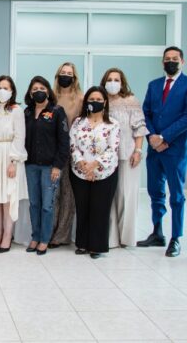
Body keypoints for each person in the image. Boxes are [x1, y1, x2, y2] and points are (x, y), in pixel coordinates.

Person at [138, 46, 187, 257]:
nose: (171, 62)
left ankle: (176, 238)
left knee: (176, 195)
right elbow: (145, 113)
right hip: (154, 147)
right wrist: (153, 137)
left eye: (175, 59)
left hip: (176, 148)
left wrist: (164, 136)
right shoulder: (154, 85)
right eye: (167, 59)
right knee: (155, 191)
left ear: (182, 61)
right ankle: (157, 232)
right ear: (162, 62)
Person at [69, 86, 120, 259]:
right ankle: (82, 243)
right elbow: (73, 144)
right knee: (82, 208)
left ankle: (96, 246)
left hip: (104, 173)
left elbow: (113, 149)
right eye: (91, 100)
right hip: (79, 171)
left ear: (105, 102)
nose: (95, 103)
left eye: (98, 100)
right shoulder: (78, 122)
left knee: (100, 209)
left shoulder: (112, 124)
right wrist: (82, 163)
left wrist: (95, 165)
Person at [101, 68, 148, 248]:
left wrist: (138, 150)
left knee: (126, 196)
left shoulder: (131, 100)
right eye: (109, 79)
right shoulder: (102, 101)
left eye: (116, 79)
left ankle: (126, 237)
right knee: (109, 197)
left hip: (127, 155)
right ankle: (110, 238)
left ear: (122, 82)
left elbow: (140, 127)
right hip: (105, 157)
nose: (113, 82)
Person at [23, 76, 69, 255]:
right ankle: (35, 236)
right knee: (34, 203)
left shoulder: (57, 111)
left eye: (41, 88)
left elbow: (64, 141)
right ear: (30, 93)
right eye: (34, 89)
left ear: (48, 90)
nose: (38, 91)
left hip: (50, 167)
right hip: (30, 166)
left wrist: (58, 166)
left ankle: (44, 239)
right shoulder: (26, 112)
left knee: (47, 205)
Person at [0, 75, 27, 253]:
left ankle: (7, 235)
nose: (2, 91)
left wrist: (13, 161)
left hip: (9, 156)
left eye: (6, 88)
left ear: (12, 91)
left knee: (7, 197)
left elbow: (19, 136)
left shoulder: (16, 110)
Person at [49, 62, 83, 248]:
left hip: (71, 152)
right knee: (52, 193)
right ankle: (50, 230)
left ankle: (62, 235)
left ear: (74, 77)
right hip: (52, 152)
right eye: (63, 72)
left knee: (67, 194)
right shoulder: (51, 97)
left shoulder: (80, 98)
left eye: (69, 73)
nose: (66, 76)